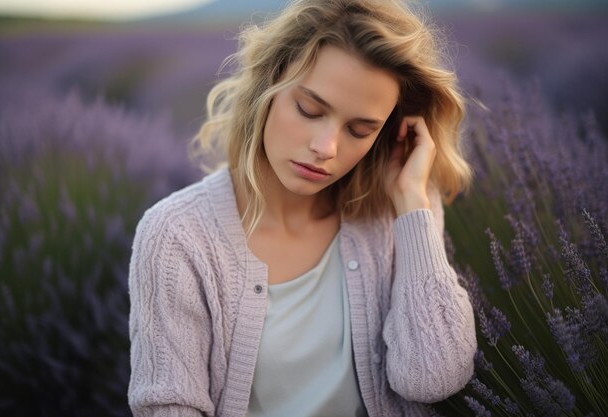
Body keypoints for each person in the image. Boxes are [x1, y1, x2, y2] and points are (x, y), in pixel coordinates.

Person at [127, 0, 477, 416]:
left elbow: (433, 378)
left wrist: (413, 205)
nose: (325, 149)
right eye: (309, 110)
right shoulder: (177, 237)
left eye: (359, 130)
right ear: (268, 88)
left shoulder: (401, 213)